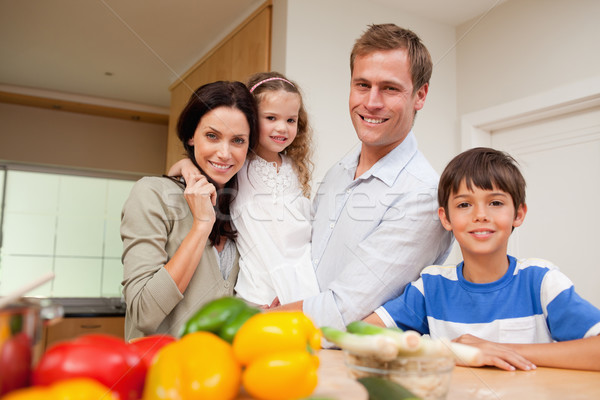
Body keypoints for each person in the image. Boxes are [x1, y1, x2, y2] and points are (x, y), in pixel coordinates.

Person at [274, 24, 453, 329]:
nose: (371, 102)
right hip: (291, 351)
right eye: (362, 85)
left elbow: (343, 312)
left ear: (420, 95)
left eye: (390, 88)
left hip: (349, 367)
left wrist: (253, 320)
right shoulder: (338, 172)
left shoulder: (422, 196)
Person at [364, 147, 600, 371]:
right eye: (464, 204)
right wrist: (447, 351)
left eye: (495, 203)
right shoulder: (431, 287)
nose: (480, 215)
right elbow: (362, 334)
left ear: (518, 214)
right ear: (446, 218)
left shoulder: (541, 282)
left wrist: (498, 350)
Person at [121, 81, 258, 340]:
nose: (225, 153)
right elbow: (143, 313)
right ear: (191, 136)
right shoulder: (152, 194)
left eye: (238, 140)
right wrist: (201, 226)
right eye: (212, 136)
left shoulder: (242, 206)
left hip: (220, 374)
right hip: (163, 373)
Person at [168, 71, 320, 307]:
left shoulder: (294, 167)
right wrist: (187, 166)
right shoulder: (239, 163)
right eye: (271, 118)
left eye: (291, 120)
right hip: (259, 286)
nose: (282, 128)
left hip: (304, 280)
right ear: (250, 121)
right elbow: (178, 169)